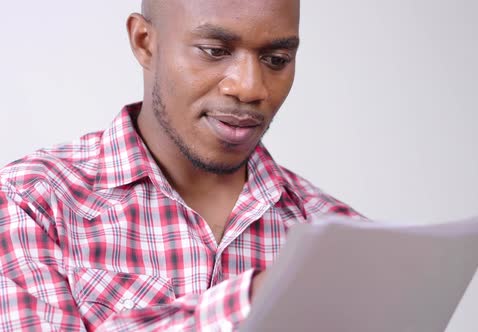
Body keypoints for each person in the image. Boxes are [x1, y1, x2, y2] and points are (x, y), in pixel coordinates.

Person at [0, 0, 363, 330]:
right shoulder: (29, 202)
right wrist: (253, 301)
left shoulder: (345, 241)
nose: (250, 88)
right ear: (145, 42)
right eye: (215, 51)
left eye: (276, 59)